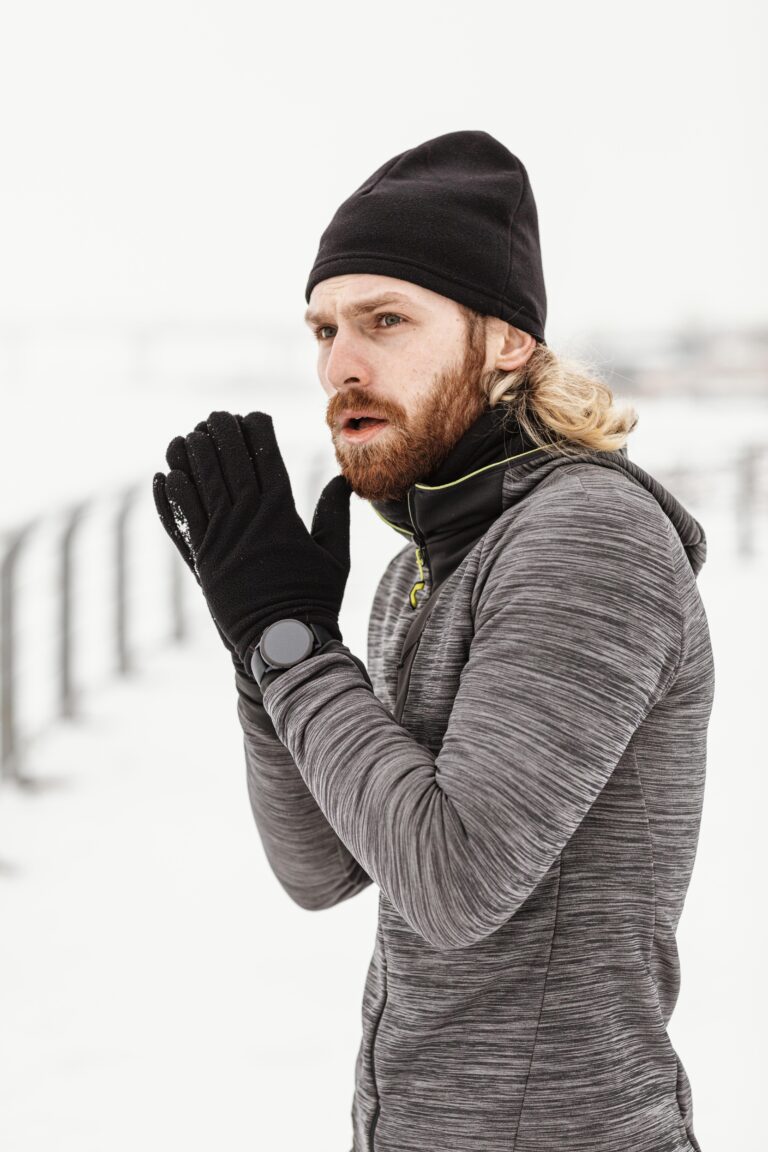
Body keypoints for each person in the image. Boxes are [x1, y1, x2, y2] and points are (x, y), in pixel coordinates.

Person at [153, 130, 714, 1152]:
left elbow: (454, 884)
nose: (341, 364)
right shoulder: (428, 560)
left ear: (505, 341)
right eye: (323, 328)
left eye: (385, 320)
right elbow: (322, 869)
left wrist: (294, 653)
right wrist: (265, 652)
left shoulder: (585, 537)